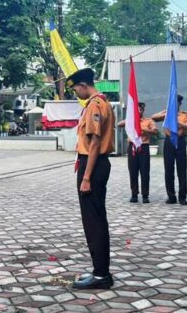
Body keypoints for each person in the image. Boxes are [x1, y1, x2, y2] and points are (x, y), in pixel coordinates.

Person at [67, 68, 115, 290]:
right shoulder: (100, 102)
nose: (76, 92)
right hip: (95, 164)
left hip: (92, 165)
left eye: (76, 88)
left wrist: (86, 177)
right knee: (96, 219)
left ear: (84, 85)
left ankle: (101, 274)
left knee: (93, 221)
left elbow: (95, 142)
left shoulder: (95, 104)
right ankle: (100, 270)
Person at [152, 95, 187, 205]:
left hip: (180, 141)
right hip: (169, 141)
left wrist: (178, 122)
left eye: (176, 103)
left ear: (180, 104)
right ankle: (171, 196)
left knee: (182, 170)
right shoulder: (167, 113)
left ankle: (182, 197)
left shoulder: (185, 115)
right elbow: (153, 117)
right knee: (169, 170)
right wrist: (166, 113)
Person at [117, 102, 156, 203]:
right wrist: (131, 120)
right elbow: (119, 124)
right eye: (136, 109)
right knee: (133, 171)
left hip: (144, 147)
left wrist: (141, 128)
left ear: (143, 110)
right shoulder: (131, 121)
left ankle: (145, 195)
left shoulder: (148, 121)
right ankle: (134, 194)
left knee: (145, 172)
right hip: (133, 147)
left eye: (140, 109)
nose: (138, 111)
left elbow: (155, 131)